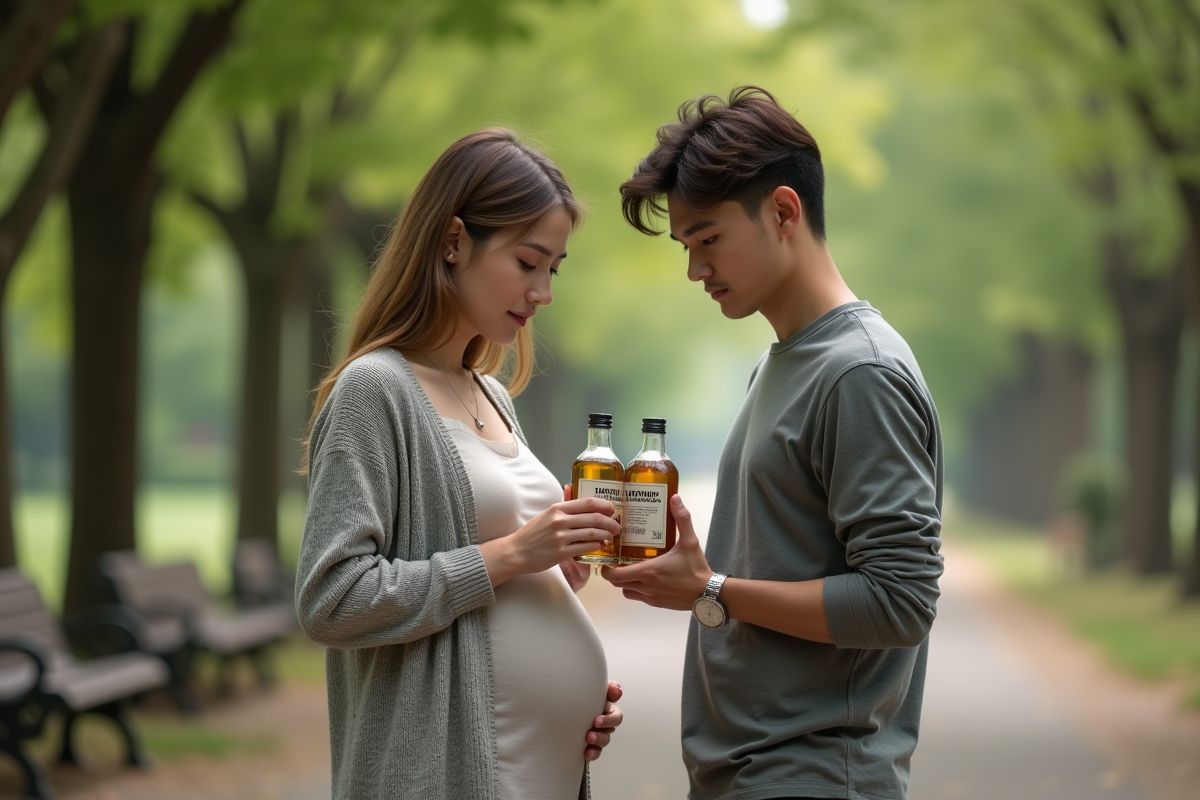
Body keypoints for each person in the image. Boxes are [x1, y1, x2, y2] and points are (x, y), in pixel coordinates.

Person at [605, 87, 944, 800]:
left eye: (708, 239)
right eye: (686, 247)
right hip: (752, 773)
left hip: (814, 773)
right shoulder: (785, 360)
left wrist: (711, 591)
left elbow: (900, 601)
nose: (696, 270)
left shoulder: (860, 373)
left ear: (784, 213)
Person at [295, 129, 624, 800]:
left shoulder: (491, 394)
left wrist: (558, 592)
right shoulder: (375, 391)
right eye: (528, 261)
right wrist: (513, 555)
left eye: (553, 269)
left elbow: (497, 578)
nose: (543, 292)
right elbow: (331, 599)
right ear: (452, 242)